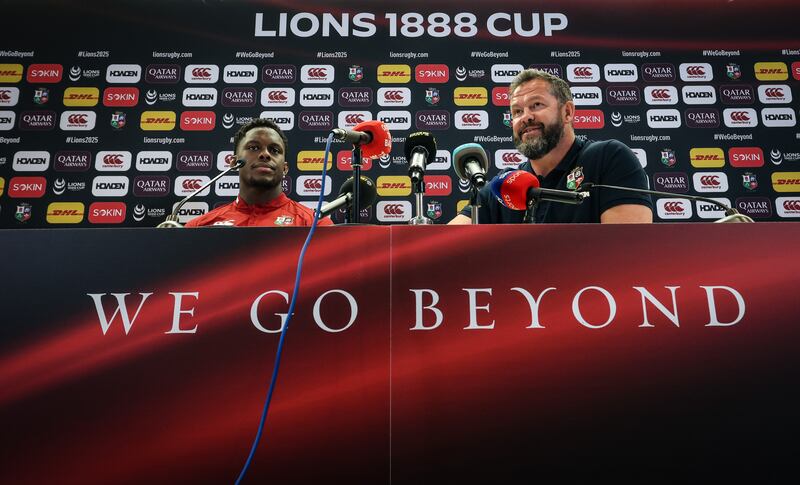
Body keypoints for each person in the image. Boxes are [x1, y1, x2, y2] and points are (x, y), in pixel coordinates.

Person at [449, 69, 652, 224]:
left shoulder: (609, 158)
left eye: (537, 105)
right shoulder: (503, 187)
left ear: (568, 112)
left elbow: (628, 251)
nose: (526, 117)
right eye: (517, 111)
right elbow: (442, 243)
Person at [186, 118, 334, 227]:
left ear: (285, 168)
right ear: (233, 163)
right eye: (253, 148)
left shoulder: (315, 225)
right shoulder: (198, 226)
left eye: (274, 150)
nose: (265, 154)